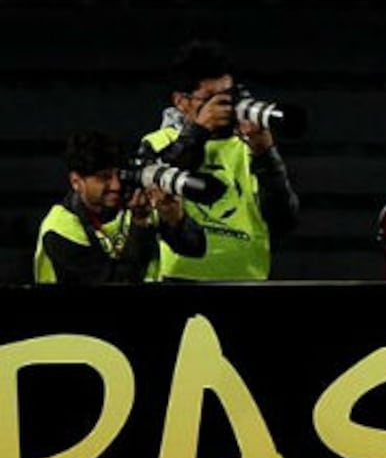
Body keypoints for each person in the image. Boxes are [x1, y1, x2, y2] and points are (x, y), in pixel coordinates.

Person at [138, 40, 298, 281]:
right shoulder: (157, 143)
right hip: (178, 279)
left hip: (247, 280)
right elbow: (155, 188)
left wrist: (266, 153)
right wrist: (198, 130)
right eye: (210, 98)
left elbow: (283, 219)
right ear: (181, 101)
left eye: (227, 96)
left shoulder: (249, 144)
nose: (221, 107)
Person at [34, 130, 205, 284]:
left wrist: (174, 219)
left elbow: (194, 248)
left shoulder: (135, 199)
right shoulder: (61, 228)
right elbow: (118, 283)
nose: (116, 185)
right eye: (104, 178)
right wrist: (140, 223)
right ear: (76, 181)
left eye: (119, 175)